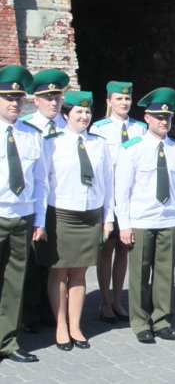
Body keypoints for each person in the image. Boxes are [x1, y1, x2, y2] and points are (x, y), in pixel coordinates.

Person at [40, 91, 114, 351]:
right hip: (61, 214)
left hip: (90, 215)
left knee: (80, 273)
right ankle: (60, 325)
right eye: (78, 112)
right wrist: (40, 220)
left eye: (87, 112)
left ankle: (76, 326)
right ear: (65, 115)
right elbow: (43, 183)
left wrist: (108, 218)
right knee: (59, 272)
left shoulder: (99, 143)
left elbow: (107, 183)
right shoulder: (51, 143)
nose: (84, 116)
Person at [115, 87, 175, 344]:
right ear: (147, 118)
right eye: (158, 117)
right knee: (139, 274)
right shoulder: (132, 149)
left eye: (167, 117)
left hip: (168, 219)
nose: (163, 121)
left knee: (164, 274)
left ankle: (162, 320)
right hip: (141, 220)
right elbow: (122, 191)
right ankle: (140, 322)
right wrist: (124, 225)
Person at [90, 81, 147, 324]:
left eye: (127, 99)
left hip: (132, 200)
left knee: (124, 250)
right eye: (119, 99)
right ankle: (104, 301)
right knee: (106, 250)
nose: (124, 103)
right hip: (109, 198)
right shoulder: (100, 128)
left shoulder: (140, 128)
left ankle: (117, 300)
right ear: (108, 102)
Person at [0, 65, 47, 363]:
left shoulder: (32, 134)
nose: (14, 103)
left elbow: (40, 182)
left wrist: (39, 220)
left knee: (14, 282)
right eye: (7, 98)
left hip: (23, 216)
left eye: (18, 98)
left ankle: (7, 340)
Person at [20, 68, 69, 333]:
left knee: (54, 261)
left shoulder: (67, 125)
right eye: (47, 97)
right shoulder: (27, 127)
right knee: (31, 261)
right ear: (35, 100)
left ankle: (53, 310)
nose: (53, 102)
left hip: (60, 204)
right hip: (36, 202)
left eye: (57, 98)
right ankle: (30, 312)